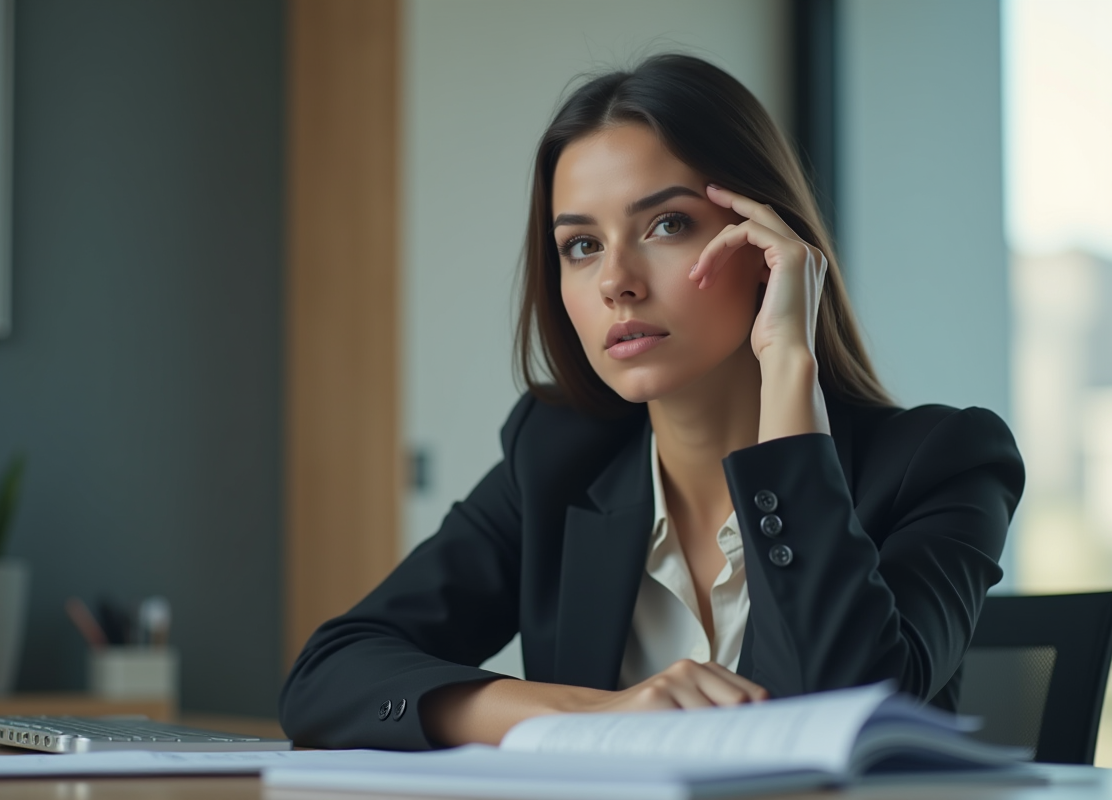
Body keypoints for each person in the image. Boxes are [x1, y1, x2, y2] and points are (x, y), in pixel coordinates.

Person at [278, 54, 1024, 752]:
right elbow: (330, 675)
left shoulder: (946, 463)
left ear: (769, 245)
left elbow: (837, 717)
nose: (616, 282)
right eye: (581, 245)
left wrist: (788, 368)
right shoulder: (557, 455)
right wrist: (594, 714)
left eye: (667, 225)